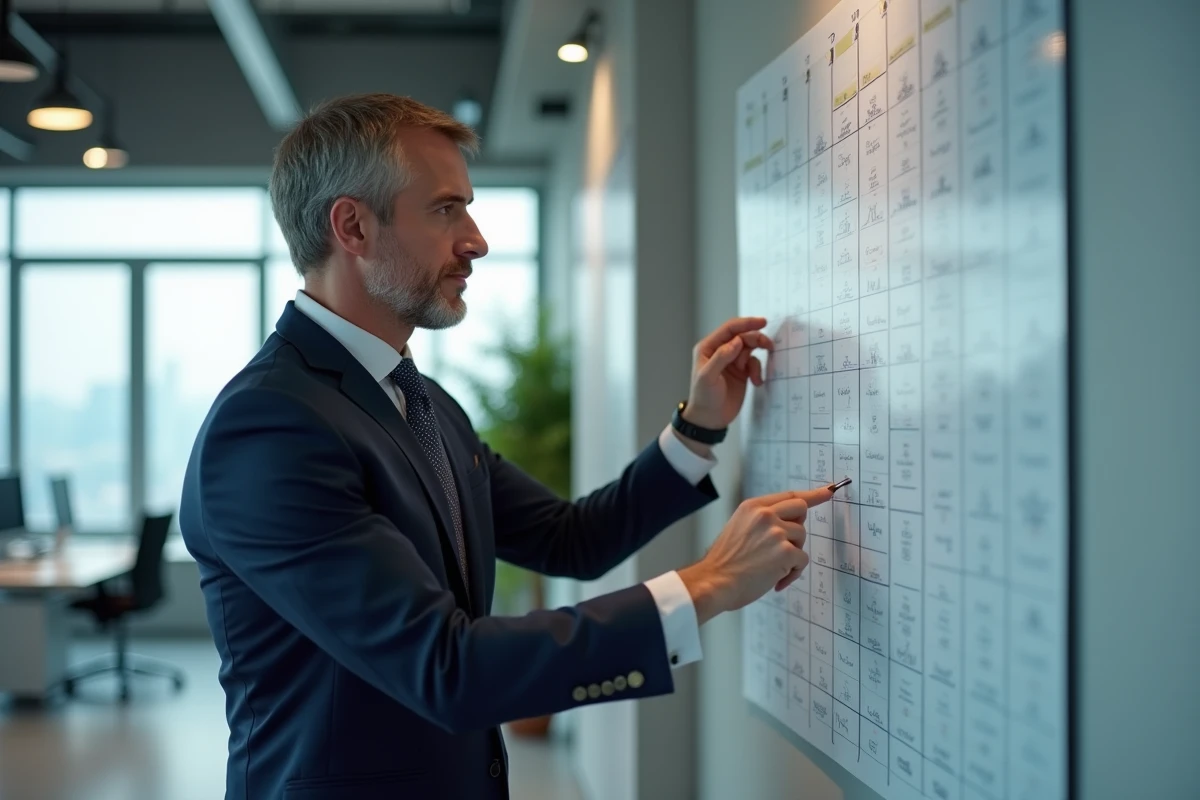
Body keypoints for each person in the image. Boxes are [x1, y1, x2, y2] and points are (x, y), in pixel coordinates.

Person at [179, 93, 834, 800]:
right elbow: (447, 669)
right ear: (353, 226)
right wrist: (708, 583)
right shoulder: (270, 427)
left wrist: (697, 427)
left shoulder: (420, 400)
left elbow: (571, 539)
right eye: (445, 209)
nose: (476, 241)